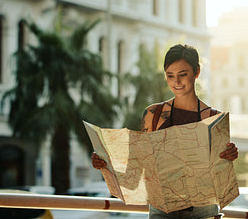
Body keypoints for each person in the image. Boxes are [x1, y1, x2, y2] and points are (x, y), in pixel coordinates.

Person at [91, 44, 238, 219]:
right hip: (162, 212)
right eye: (170, 76)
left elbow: (219, 178)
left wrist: (228, 157)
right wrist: (105, 163)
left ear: (197, 72)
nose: (176, 82)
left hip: (203, 211)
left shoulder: (213, 118)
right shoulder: (153, 115)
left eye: (183, 75)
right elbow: (136, 171)